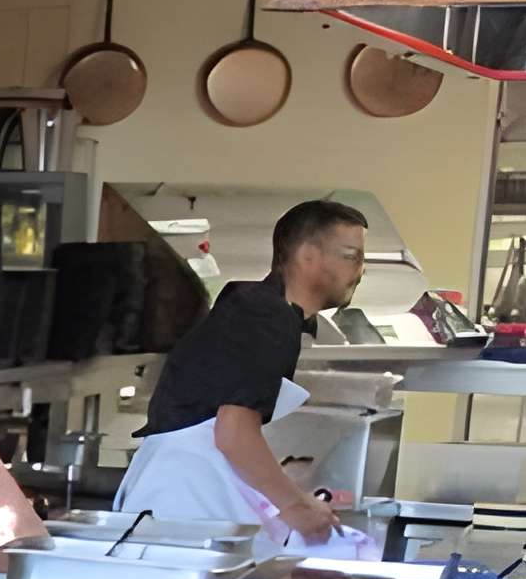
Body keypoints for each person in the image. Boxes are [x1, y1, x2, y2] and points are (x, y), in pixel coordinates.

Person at [109, 199, 371, 554]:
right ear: (308, 256)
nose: (360, 270)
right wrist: (295, 506)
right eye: (351, 256)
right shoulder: (266, 315)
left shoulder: (261, 309)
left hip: (187, 484)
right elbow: (233, 432)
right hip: (185, 489)